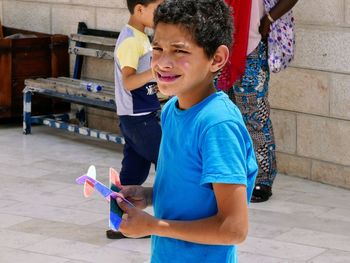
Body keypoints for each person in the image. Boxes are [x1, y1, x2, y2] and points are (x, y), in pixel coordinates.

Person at [116, 0, 258, 262]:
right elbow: (188, 191)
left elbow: (234, 229)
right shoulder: (171, 111)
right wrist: (146, 196)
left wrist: (152, 226)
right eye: (157, 48)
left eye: (179, 51)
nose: (163, 63)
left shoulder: (217, 125)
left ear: (217, 59)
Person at [217, 0, 298, 202]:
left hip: (251, 47)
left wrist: (269, 20)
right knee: (223, 115)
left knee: (254, 115)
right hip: (218, 47)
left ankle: (263, 178)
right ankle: (231, 174)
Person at [108, 0, 163, 239]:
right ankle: (170, 221)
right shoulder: (130, 40)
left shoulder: (141, 37)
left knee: (132, 174)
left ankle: (119, 225)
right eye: (157, 8)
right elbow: (129, 81)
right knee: (169, 162)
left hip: (140, 117)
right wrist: (155, 70)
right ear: (140, 9)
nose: (161, 13)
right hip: (138, 119)